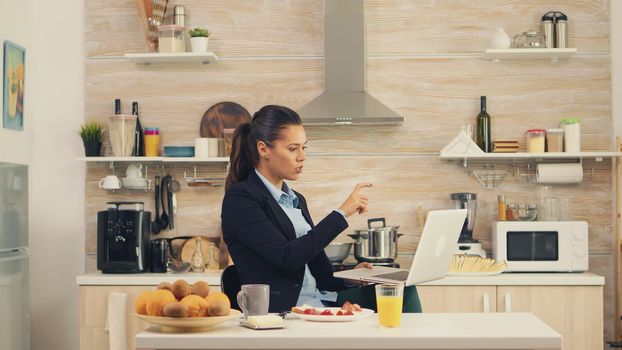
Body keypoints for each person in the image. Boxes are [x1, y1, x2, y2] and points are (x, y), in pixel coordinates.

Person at [221, 105, 421, 313]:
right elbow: (287, 259)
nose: (302, 156)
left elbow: (320, 273)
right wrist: (341, 214)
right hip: (286, 310)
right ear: (263, 149)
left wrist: (351, 277)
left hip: (322, 300)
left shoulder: (296, 200)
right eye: (292, 148)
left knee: (404, 290)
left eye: (303, 147)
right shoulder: (241, 199)